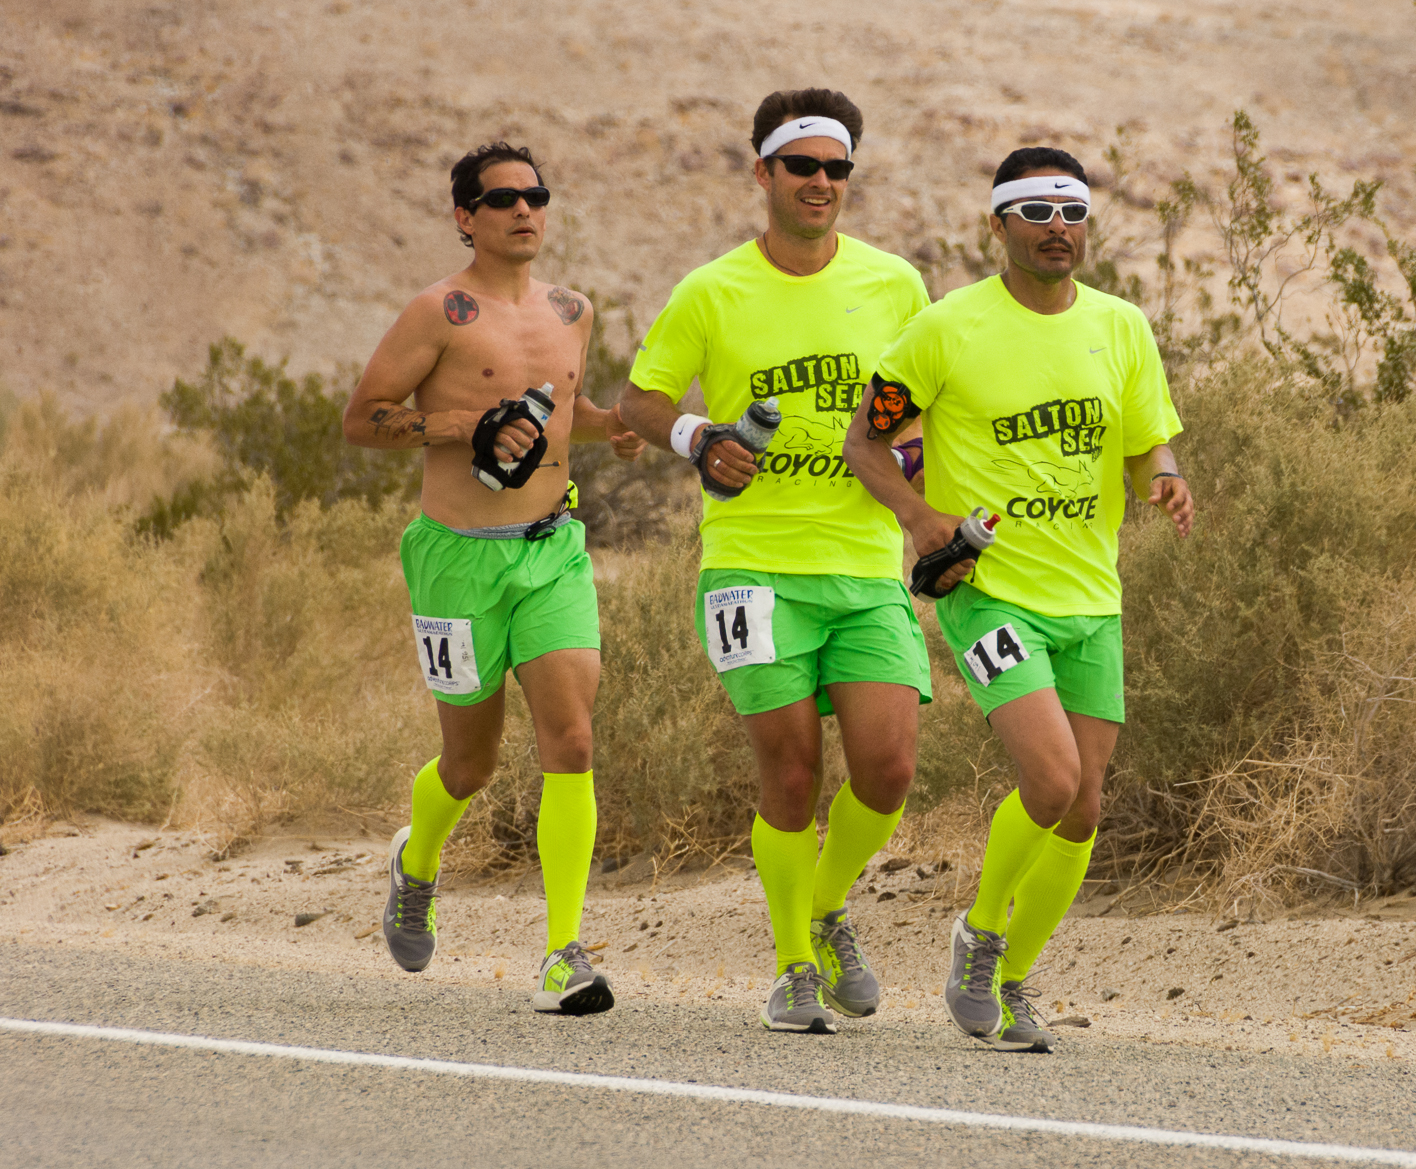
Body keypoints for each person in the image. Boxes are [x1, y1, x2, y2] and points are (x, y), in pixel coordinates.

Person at [843, 146, 1193, 1052]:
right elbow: (864, 443)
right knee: (1051, 778)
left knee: (1083, 809)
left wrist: (1165, 476)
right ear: (996, 226)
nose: (1056, 230)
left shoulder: (1120, 327)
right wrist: (920, 520)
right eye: (1034, 213)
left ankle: (1012, 976)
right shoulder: (947, 328)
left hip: (1091, 597)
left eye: (1070, 212)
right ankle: (980, 935)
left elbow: (1148, 440)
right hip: (990, 589)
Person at [618, 90, 944, 1034]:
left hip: (862, 563)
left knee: (886, 771)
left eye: (837, 168)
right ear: (762, 173)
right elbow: (639, 400)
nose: (821, 183)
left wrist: (924, 483)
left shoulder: (894, 286)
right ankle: (793, 964)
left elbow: (914, 408)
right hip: (752, 568)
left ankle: (825, 902)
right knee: (793, 774)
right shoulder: (711, 291)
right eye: (801, 166)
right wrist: (696, 436)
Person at [343, 141, 644, 1016]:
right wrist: (460, 423)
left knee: (573, 740)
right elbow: (364, 422)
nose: (524, 211)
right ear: (464, 216)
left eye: (536, 196)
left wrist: (611, 429)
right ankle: (418, 860)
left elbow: (565, 418)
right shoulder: (437, 310)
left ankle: (562, 954)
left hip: (552, 548)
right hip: (456, 559)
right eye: (503, 198)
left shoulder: (573, 310)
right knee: (469, 765)